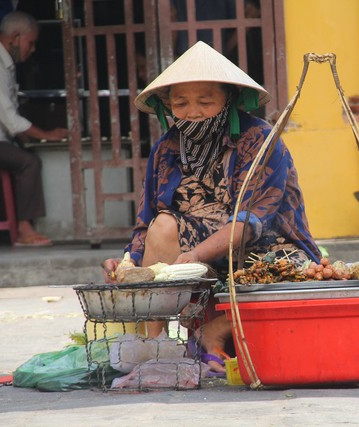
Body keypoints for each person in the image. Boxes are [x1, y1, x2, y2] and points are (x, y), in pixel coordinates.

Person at [102, 41, 321, 374]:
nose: (192, 112)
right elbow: (147, 221)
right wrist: (127, 262)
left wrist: (196, 255)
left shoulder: (260, 139)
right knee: (162, 226)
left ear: (228, 100)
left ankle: (216, 330)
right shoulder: (166, 149)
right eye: (181, 103)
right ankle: (156, 345)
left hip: (266, 249)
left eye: (205, 101)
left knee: (303, 277)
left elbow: (250, 221)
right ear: (167, 105)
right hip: (201, 258)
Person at [0, 11, 69, 246]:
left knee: (24, 157)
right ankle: (25, 228)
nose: (33, 49)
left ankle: (15, 227)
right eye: (31, 42)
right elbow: (9, 117)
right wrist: (45, 135)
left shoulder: (1, 62)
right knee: (28, 162)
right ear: (14, 37)